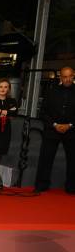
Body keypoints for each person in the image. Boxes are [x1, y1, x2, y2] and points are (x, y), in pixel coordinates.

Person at [34, 66, 75, 194]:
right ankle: (41, 185)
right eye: (64, 76)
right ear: (60, 77)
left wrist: (70, 125)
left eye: (70, 76)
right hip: (52, 129)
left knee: (73, 160)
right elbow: (43, 112)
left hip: (72, 130)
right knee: (46, 158)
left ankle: (72, 187)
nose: (67, 79)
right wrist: (55, 124)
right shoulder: (51, 91)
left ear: (73, 76)